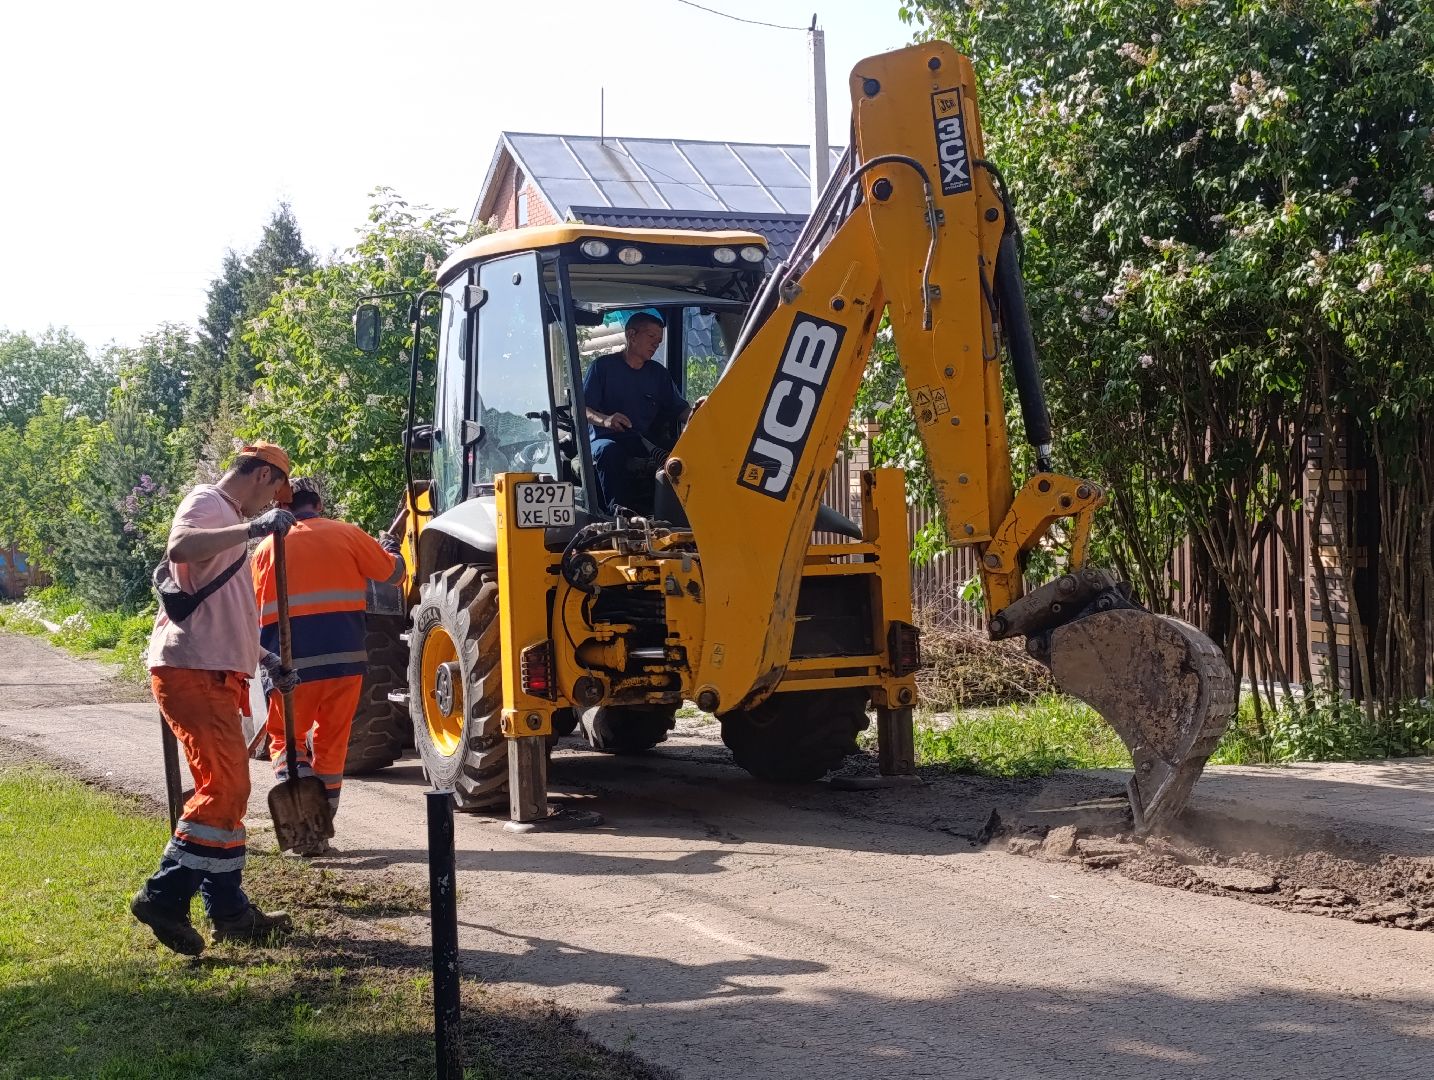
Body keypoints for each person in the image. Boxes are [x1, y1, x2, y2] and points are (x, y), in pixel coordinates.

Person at [131, 442, 300, 956]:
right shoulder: (209, 503)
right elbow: (181, 547)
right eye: (274, 488)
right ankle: (162, 897)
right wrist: (253, 529)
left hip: (213, 671)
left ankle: (230, 914)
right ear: (263, 474)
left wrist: (268, 662)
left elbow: (230, 615)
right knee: (224, 790)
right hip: (193, 670)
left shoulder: (227, 520)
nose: (272, 500)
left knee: (227, 792)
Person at [250, 478, 404, 856]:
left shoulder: (268, 548)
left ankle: (302, 825)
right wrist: (390, 549)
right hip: (344, 662)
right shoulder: (347, 535)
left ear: (283, 505)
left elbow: (251, 610)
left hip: (290, 667)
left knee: (288, 740)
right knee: (332, 743)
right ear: (318, 502)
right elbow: (393, 575)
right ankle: (323, 824)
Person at [583, 311, 690, 512]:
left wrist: (701, 416)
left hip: (641, 442)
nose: (656, 344)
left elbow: (681, 410)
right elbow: (582, 410)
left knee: (681, 457)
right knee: (610, 452)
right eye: (651, 337)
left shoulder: (658, 374)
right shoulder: (602, 367)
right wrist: (605, 420)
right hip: (605, 440)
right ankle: (619, 515)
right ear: (631, 335)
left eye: (659, 341)